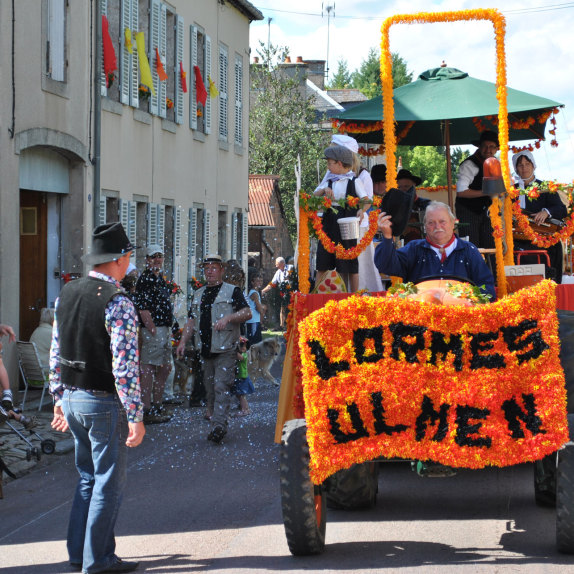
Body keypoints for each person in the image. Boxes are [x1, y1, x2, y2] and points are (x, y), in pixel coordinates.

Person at [49, 222, 145, 574]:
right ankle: (99, 559)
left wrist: (58, 397)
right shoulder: (117, 302)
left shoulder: (67, 294)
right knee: (107, 481)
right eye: (128, 257)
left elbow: (56, 353)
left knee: (88, 477)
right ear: (120, 259)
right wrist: (136, 415)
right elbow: (124, 367)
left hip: (73, 396)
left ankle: (79, 553)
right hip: (101, 399)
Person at [176, 255, 251, 444]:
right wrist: (183, 341)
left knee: (221, 386)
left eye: (214, 268)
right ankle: (216, 420)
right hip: (205, 349)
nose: (209, 271)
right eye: (206, 268)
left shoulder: (232, 291)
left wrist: (228, 318)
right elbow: (191, 321)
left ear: (222, 270)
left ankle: (219, 426)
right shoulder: (199, 294)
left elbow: (247, 313)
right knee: (209, 390)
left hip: (226, 348)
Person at [375, 201, 496, 299]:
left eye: (442, 222)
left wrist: (469, 300)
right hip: (421, 319)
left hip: (460, 319)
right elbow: (385, 265)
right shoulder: (414, 249)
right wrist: (387, 237)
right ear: (425, 227)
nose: (437, 227)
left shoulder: (469, 250)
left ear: (453, 223)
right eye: (431, 223)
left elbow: (487, 288)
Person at [312, 146, 371, 293]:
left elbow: (366, 200)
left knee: (348, 261)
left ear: (339, 164)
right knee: (323, 259)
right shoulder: (329, 180)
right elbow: (314, 194)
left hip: (347, 221)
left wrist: (361, 210)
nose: (328, 166)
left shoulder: (354, 181)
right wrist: (324, 191)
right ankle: (316, 294)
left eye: (330, 163)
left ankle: (352, 294)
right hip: (329, 221)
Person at [511, 150, 567, 283]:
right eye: (520, 165)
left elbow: (562, 209)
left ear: (533, 165)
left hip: (542, 237)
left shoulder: (545, 187)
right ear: (516, 169)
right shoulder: (512, 191)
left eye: (527, 164)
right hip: (519, 239)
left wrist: (546, 212)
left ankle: (551, 286)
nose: (524, 168)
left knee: (554, 246)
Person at [134, 244, 174, 424]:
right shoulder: (146, 279)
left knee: (165, 367)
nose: (157, 259)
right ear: (147, 260)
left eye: (160, 256)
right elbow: (143, 309)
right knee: (148, 367)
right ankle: (147, 408)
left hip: (163, 328)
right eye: (153, 256)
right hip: (155, 329)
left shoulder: (158, 278)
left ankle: (157, 404)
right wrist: (152, 329)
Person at [455, 130, 499, 248]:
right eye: (485, 146)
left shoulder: (497, 164)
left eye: (492, 147)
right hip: (468, 212)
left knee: (491, 247)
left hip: (488, 213)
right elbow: (461, 192)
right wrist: (487, 191)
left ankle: (491, 267)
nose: (488, 150)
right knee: (471, 248)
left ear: (496, 149)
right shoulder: (469, 164)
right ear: (479, 147)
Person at [396, 168, 431, 244]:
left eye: (406, 186)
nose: (403, 190)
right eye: (399, 187)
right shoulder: (393, 206)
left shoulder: (427, 204)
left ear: (414, 185)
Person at [262, 256, 290, 329]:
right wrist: (262, 291)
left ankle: (290, 325)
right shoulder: (278, 272)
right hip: (284, 294)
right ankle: (282, 326)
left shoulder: (290, 268)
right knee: (283, 309)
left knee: (290, 309)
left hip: (292, 292)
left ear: (282, 263)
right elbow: (272, 284)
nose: (275, 265)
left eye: (276, 264)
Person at [232, 337, 254, 416]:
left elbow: (239, 357)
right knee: (239, 395)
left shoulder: (244, 355)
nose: (242, 348)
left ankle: (245, 410)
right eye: (240, 346)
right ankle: (246, 408)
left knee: (241, 395)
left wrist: (233, 350)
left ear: (246, 348)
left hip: (242, 377)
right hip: (239, 377)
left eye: (243, 346)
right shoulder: (241, 353)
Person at [245, 270, 267, 345]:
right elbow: (259, 309)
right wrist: (263, 308)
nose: (260, 283)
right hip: (253, 321)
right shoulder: (254, 293)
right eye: (257, 281)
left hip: (252, 320)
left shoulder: (254, 292)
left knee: (253, 342)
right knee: (255, 344)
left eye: (261, 281)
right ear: (252, 282)